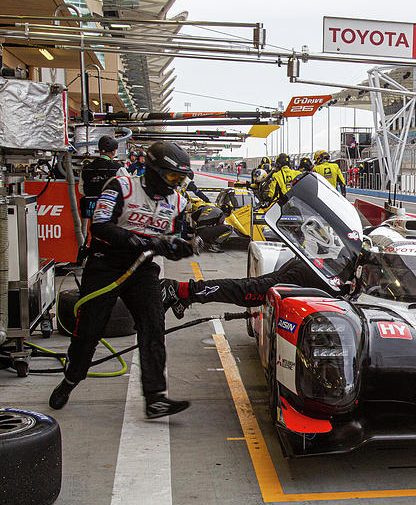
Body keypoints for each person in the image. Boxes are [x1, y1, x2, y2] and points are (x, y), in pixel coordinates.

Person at [49, 141, 196, 419]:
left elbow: (177, 240)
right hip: (106, 264)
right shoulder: (121, 186)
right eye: (172, 177)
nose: (175, 183)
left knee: (153, 325)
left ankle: (155, 399)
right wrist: (141, 241)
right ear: (154, 171)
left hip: (143, 270)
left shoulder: (178, 202)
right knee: (90, 328)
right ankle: (70, 380)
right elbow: (100, 225)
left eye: (180, 179)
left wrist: (183, 246)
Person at [160, 257, 334, 318]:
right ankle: (179, 289)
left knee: (245, 287)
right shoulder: (352, 277)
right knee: (244, 291)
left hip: (304, 268)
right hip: (300, 278)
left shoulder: (353, 259)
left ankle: (185, 295)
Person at [78, 135, 125, 219]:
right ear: (114, 152)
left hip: (92, 210)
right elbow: (127, 189)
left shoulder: (86, 169)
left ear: (99, 150)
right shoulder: (118, 169)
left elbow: (81, 189)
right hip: (112, 212)